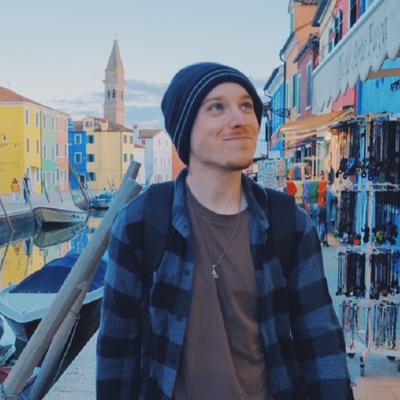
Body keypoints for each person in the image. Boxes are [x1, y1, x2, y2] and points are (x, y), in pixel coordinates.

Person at [97, 62, 353, 400]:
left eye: (247, 106)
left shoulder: (289, 223)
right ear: (185, 127)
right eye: (217, 107)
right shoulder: (142, 222)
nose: (240, 119)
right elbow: (117, 349)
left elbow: (320, 341)